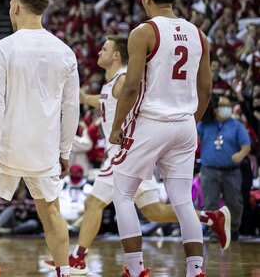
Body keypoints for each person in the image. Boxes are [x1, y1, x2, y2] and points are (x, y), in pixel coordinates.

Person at [41, 36, 230, 274]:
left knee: (93, 203)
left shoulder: (122, 81)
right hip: (133, 153)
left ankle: (80, 258)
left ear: (117, 56)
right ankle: (210, 217)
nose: (100, 51)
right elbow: (97, 100)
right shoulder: (110, 84)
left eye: (105, 49)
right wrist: (74, 92)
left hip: (124, 152)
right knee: (154, 212)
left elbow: (137, 98)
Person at [0, 0, 79, 277]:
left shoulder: (3, 48)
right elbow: (72, 108)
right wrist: (65, 151)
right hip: (44, 148)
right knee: (51, 214)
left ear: (16, 8)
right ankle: (64, 272)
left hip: (6, 146)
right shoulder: (65, 51)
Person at [109, 0, 212, 277]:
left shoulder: (144, 32)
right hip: (185, 124)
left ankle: (135, 268)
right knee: (182, 199)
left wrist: (116, 127)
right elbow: (206, 89)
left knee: (124, 194)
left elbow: (130, 86)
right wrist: (190, 121)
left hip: (153, 122)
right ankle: (196, 270)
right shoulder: (198, 34)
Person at [197, 95, 250, 240]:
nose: (225, 108)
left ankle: (233, 230)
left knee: (234, 202)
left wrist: (240, 154)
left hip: (231, 172)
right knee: (210, 202)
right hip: (209, 170)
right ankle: (214, 231)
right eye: (222, 105)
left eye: (228, 105)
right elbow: (194, 138)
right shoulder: (204, 124)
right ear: (215, 109)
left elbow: (246, 145)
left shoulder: (237, 126)